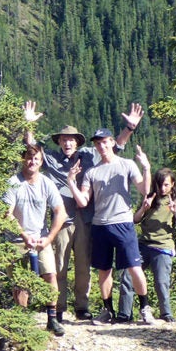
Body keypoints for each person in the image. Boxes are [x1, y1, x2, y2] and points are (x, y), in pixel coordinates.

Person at [23, 101, 144, 322]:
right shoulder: (51, 158)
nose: (67, 143)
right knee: (59, 266)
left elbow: (114, 147)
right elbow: (32, 148)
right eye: (63, 139)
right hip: (63, 220)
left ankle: (82, 307)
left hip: (88, 219)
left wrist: (130, 128)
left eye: (71, 139)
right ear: (59, 142)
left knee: (83, 266)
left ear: (77, 142)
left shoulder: (89, 155)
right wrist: (28, 124)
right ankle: (58, 307)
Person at [67, 129, 155, 325]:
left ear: (113, 142)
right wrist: (71, 182)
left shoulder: (127, 164)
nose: (102, 146)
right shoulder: (92, 172)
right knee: (104, 270)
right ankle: (108, 311)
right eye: (98, 143)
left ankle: (145, 308)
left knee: (134, 267)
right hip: (100, 225)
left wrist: (146, 168)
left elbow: (144, 189)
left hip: (123, 223)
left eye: (105, 142)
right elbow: (83, 201)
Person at [3, 144, 68, 336]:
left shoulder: (46, 183)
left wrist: (49, 238)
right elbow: (6, 213)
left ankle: (52, 318)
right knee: (20, 282)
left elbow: (61, 212)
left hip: (41, 239)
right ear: (24, 159)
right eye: (29, 158)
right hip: (16, 239)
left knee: (50, 275)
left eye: (36, 159)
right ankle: (23, 322)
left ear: (41, 162)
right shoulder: (13, 183)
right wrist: (24, 235)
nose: (32, 162)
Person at [117, 168, 176, 323]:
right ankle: (124, 313)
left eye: (166, 185)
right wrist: (144, 208)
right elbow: (135, 220)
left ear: (172, 184)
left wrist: (175, 212)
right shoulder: (150, 197)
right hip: (143, 244)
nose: (162, 188)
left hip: (163, 246)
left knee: (161, 281)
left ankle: (166, 313)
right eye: (160, 184)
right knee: (128, 277)